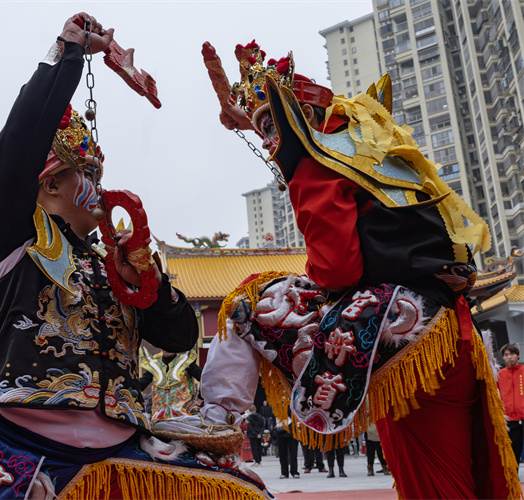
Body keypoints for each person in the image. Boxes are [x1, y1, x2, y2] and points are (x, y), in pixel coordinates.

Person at [0, 13, 269, 500]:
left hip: (121, 453)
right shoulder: (13, 242)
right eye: (89, 174)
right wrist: (69, 53)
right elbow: (19, 145)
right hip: (19, 446)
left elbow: (182, 336)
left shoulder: (115, 261)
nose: (101, 189)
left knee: (243, 492)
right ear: (51, 183)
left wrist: (148, 283)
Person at [155, 41, 519, 499]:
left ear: (301, 116)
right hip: (446, 328)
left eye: (272, 124)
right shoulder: (363, 142)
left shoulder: (314, 162)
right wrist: (254, 116)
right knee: (454, 478)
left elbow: (337, 270)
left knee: (247, 298)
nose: (269, 141)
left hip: (401, 331)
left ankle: (219, 420)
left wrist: (315, 284)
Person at [138, 349, 201, 420]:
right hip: (159, 418)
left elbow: (205, 379)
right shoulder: (154, 364)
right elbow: (140, 385)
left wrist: (198, 400)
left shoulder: (186, 362)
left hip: (183, 417)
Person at [497, 343, 524, 465]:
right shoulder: (499, 375)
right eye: (506, 355)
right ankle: (514, 481)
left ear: (518, 355)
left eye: (512, 354)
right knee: (514, 453)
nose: (509, 357)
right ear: (503, 357)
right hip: (510, 420)